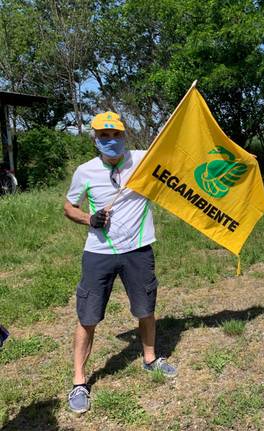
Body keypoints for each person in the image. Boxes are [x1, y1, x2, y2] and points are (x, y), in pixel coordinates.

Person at [64, 112, 176, 414]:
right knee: (87, 317)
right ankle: (79, 382)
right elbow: (68, 206)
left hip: (138, 251)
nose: (110, 141)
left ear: (125, 136)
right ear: (95, 139)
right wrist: (89, 217)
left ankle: (150, 359)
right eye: (104, 136)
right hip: (98, 254)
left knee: (146, 309)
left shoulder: (143, 160)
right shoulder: (84, 171)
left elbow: (179, 154)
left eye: (116, 135)